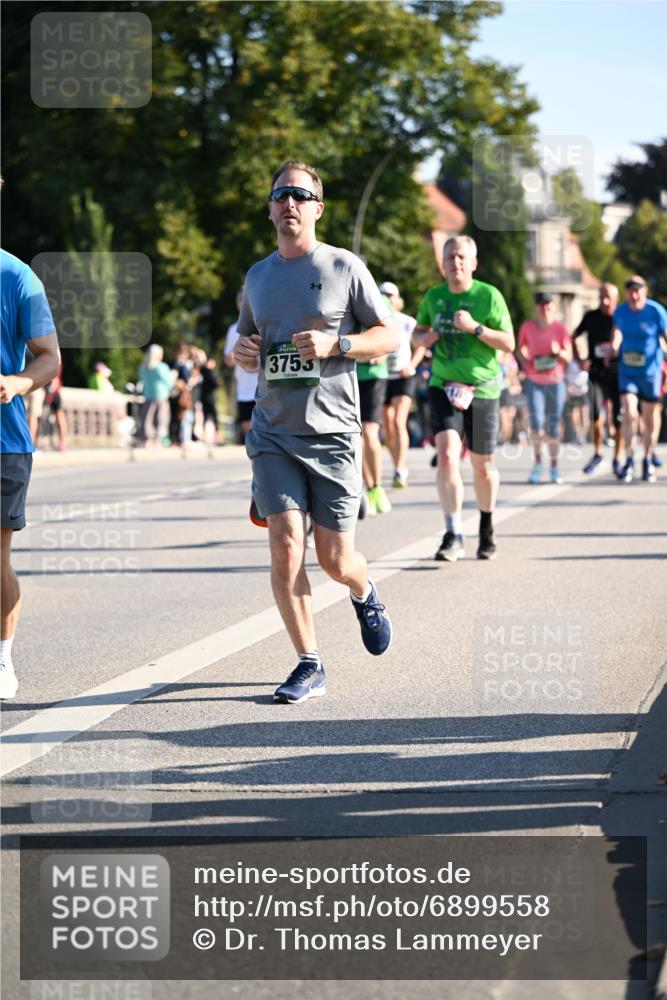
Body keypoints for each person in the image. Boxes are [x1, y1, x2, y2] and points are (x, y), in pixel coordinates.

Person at [234, 159, 398, 704]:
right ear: (271, 208)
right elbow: (246, 343)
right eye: (280, 195)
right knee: (285, 546)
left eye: (300, 195)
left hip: (332, 435)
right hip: (273, 433)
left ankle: (364, 590)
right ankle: (309, 662)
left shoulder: (344, 267)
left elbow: (388, 335)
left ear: (317, 208)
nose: (289, 204)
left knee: (334, 559)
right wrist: (243, 351)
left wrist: (338, 345)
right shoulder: (257, 276)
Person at [413, 235, 514, 562]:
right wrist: (424, 338)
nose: (454, 263)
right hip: (444, 384)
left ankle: (486, 526)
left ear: (473, 263)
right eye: (449, 258)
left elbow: (509, 343)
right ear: (441, 265)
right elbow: (417, 332)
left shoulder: (488, 296)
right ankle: (453, 532)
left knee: (482, 466)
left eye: (460, 257)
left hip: (483, 387)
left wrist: (476, 329)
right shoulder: (434, 297)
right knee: (446, 455)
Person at [1, 247, 60, 699]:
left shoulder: (18, 277)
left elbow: (48, 357)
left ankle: (2, 657)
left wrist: (18, 382)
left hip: (4, 443)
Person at [612, 276, 667, 483]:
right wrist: (615, 345)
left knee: (650, 418)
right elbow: (616, 332)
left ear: (645, 291)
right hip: (628, 372)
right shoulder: (621, 311)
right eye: (630, 291)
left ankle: (648, 458)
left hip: (651, 372)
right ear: (626, 293)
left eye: (638, 290)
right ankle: (629, 459)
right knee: (629, 412)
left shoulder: (656, 311)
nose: (634, 295)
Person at [519, 292, 572, 485]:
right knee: (536, 424)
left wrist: (558, 352)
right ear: (536, 307)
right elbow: (520, 349)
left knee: (553, 427)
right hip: (535, 382)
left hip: (555, 382)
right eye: (541, 304)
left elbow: (569, 356)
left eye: (548, 304)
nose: (545, 307)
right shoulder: (528, 327)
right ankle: (538, 463)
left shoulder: (560, 328)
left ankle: (555, 467)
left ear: (553, 306)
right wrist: (526, 363)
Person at [573, 283, 622, 476]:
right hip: (595, 373)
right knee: (595, 416)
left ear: (616, 299)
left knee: (618, 418)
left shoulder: (622, 316)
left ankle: (617, 459)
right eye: (602, 297)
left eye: (609, 297)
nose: (605, 301)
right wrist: (580, 359)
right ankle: (598, 452)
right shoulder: (591, 317)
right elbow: (574, 336)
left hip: (617, 373)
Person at [380, 280, 423, 488]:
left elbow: (421, 345)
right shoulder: (376, 322)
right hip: (383, 377)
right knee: (387, 426)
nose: (386, 299)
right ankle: (397, 463)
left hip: (404, 376)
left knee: (398, 421)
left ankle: (399, 468)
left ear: (397, 300)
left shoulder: (407, 322)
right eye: (382, 295)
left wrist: (412, 365)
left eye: (390, 295)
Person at [224, 288, 258, 444]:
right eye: (240, 299)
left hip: (263, 385)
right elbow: (228, 359)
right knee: (248, 428)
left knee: (262, 428)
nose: (243, 302)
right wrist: (236, 357)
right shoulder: (233, 329)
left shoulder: (263, 324)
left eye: (246, 298)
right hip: (244, 387)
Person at [138, 344, 173, 446]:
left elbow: (142, 380)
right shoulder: (161, 367)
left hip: (148, 396)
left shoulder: (143, 368)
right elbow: (169, 383)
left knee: (147, 420)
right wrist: (173, 375)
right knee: (161, 420)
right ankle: (158, 441)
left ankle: (147, 441)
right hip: (161, 397)